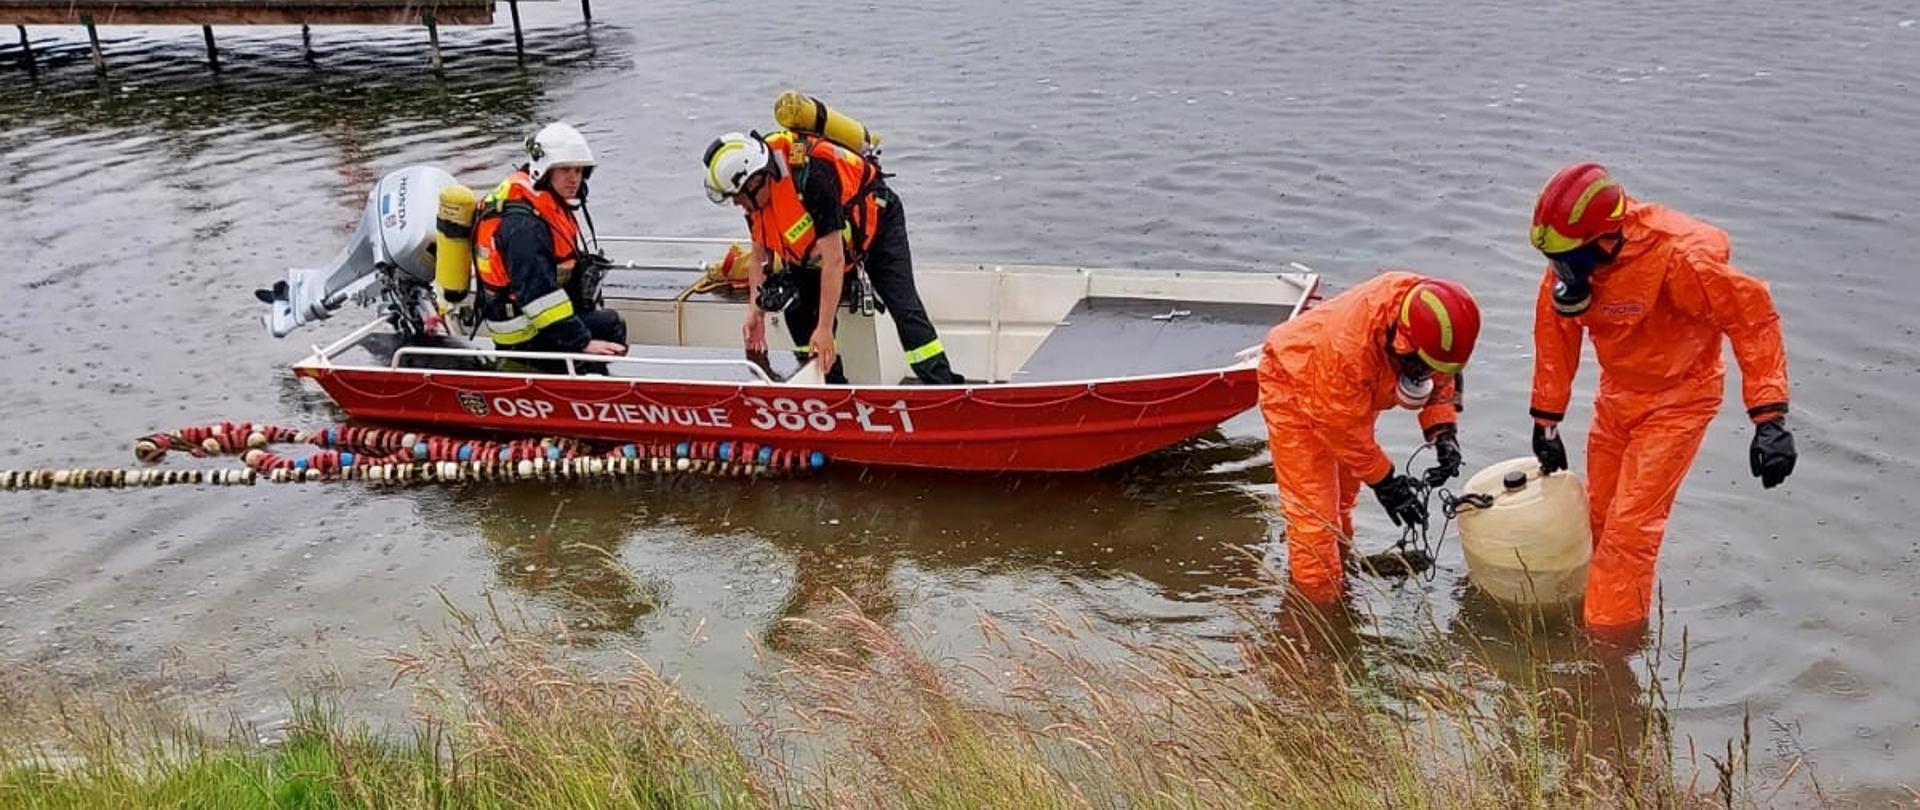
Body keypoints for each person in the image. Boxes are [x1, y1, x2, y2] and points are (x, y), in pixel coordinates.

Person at [1525, 161, 1796, 639]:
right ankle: (1604, 650)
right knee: (1599, 516)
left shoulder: (1681, 258)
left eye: (1568, 257)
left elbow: (1751, 320)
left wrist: (1768, 417)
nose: (1559, 270)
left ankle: (1610, 648)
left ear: (1604, 238)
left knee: (1629, 533)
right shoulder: (1570, 263)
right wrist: (1547, 420)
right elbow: (1556, 334)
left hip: (1680, 401)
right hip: (1617, 394)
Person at [1258, 271, 1481, 603]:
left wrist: (1443, 432)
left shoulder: (1436, 317)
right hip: (1292, 381)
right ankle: (1317, 615)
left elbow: (1442, 373)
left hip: (1350, 395)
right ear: (1403, 345)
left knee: (1344, 501)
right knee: (1315, 518)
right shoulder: (1349, 349)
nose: (1423, 376)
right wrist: (1388, 483)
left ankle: (1341, 578)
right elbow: (1343, 430)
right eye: (1419, 368)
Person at [701, 129, 962, 385]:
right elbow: (759, 256)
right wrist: (755, 312)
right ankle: (830, 385)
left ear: (756, 180)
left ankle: (942, 385)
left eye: (736, 196)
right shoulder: (755, 202)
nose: (736, 204)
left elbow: (834, 260)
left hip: (876, 229)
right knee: (798, 311)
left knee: (905, 308)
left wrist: (825, 328)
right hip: (815, 250)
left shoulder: (812, 177)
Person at [473, 121, 627, 373]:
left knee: (604, 323)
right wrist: (582, 342)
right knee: (610, 328)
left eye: (578, 171)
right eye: (565, 170)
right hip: (523, 334)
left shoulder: (540, 203)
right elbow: (538, 297)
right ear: (544, 171)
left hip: (531, 319)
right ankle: (577, 390)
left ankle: (584, 381)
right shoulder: (524, 227)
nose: (573, 179)